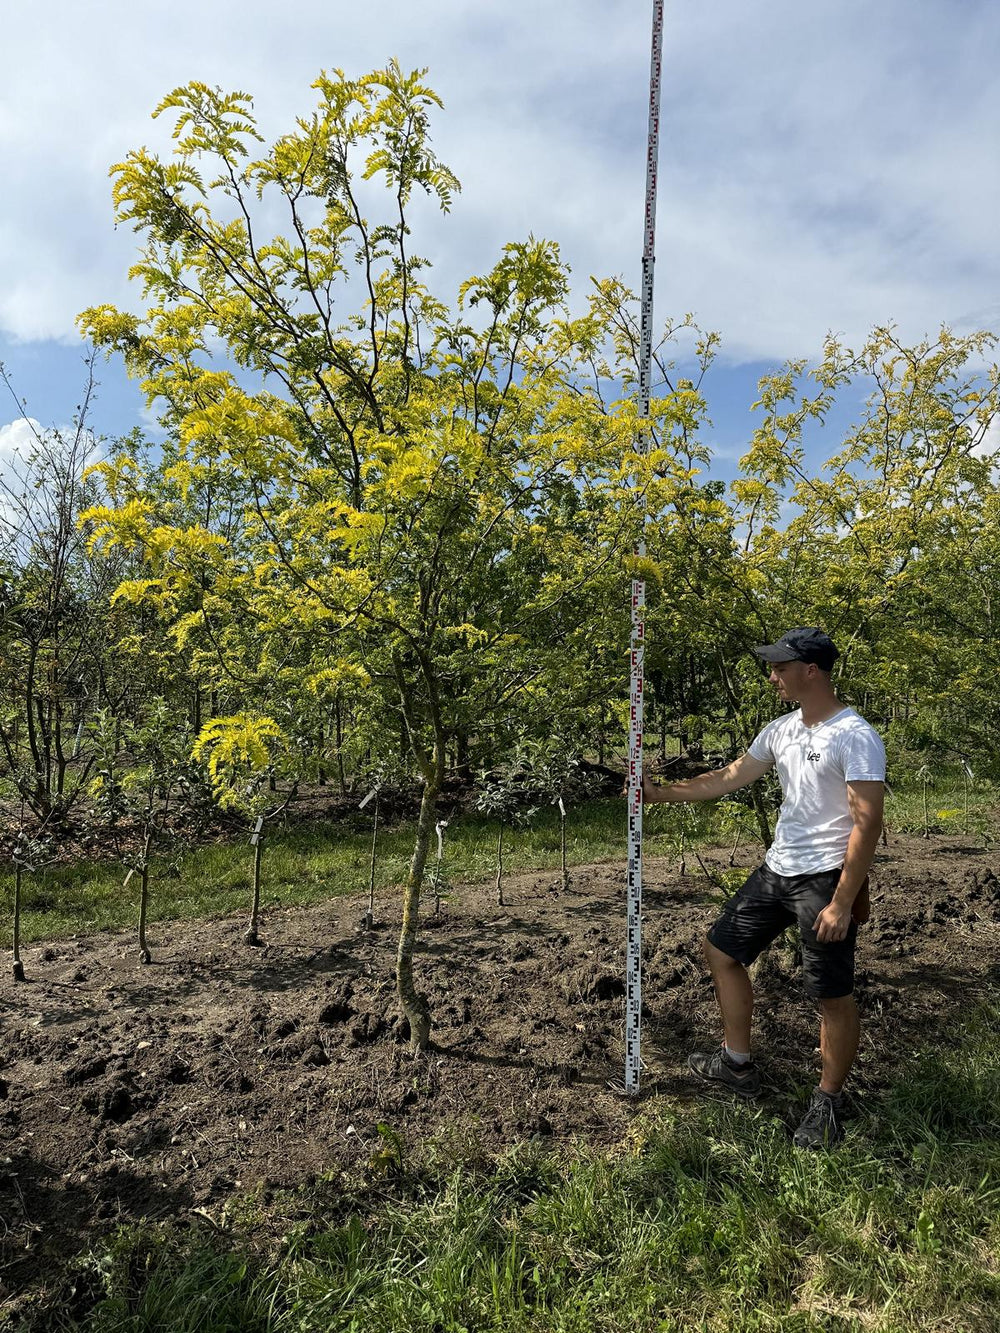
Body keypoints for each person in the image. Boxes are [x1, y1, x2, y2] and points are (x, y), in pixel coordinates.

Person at [642, 628, 885, 1149]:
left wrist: (843, 901)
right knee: (722, 949)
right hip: (778, 869)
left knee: (830, 995)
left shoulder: (854, 735)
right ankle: (736, 1064)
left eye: (780, 667)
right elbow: (728, 777)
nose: (772, 676)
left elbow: (868, 825)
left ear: (812, 671)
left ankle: (829, 1101)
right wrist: (656, 794)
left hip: (825, 878)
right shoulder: (782, 730)